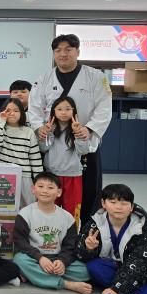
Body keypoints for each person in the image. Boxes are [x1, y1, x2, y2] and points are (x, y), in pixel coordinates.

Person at [29, 33, 112, 223]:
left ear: (78, 51)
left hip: (84, 142)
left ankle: (84, 230)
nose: (63, 54)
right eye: (58, 50)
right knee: (50, 192)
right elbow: (34, 108)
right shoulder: (44, 79)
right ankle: (48, 228)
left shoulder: (95, 77)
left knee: (87, 192)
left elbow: (104, 107)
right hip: (53, 142)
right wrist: (39, 128)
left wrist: (89, 129)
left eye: (68, 49)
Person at [76, 184, 147, 294]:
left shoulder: (144, 233)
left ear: (131, 207)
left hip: (145, 273)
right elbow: (80, 254)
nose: (119, 207)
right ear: (103, 203)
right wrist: (89, 248)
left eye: (124, 203)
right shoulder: (94, 225)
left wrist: (116, 289)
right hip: (116, 269)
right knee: (95, 266)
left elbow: (140, 263)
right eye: (113, 202)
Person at [13, 172, 92, 294]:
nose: (45, 191)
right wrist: (40, 258)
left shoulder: (67, 217)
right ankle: (65, 284)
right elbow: (20, 242)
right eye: (40, 186)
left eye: (50, 187)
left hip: (57, 258)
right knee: (19, 260)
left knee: (86, 271)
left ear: (59, 192)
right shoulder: (25, 214)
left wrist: (62, 262)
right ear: (33, 189)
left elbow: (70, 246)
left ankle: (36, 275)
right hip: (34, 258)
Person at [39, 96, 98, 225]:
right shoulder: (49, 128)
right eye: (59, 109)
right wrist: (48, 133)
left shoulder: (78, 129)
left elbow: (83, 151)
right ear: (54, 111)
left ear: (73, 111)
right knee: (50, 209)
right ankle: (49, 233)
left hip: (73, 176)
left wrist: (78, 133)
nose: (63, 112)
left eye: (67, 109)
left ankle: (71, 235)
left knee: (72, 210)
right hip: (52, 176)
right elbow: (43, 148)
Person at [0, 98, 43, 208]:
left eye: (16, 110)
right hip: (4, 175)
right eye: (8, 110)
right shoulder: (1, 128)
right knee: (4, 208)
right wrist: (0, 120)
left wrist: (39, 181)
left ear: (22, 113)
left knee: (27, 207)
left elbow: (35, 158)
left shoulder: (28, 131)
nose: (12, 113)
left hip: (24, 176)